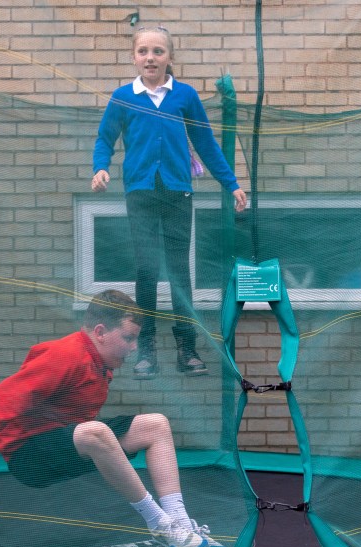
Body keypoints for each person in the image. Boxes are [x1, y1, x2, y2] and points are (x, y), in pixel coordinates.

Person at [0, 289, 224, 547]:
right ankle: (161, 526)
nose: (134, 348)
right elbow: (7, 397)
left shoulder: (98, 361)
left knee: (156, 425)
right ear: (100, 332)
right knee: (95, 432)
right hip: (29, 459)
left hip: (65, 446)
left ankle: (180, 523)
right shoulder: (66, 354)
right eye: (128, 338)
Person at [91, 25, 248, 380]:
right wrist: (101, 168)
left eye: (158, 52)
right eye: (143, 51)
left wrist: (232, 184)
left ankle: (186, 348)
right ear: (134, 57)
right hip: (141, 193)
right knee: (146, 270)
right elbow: (105, 139)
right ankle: (145, 349)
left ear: (169, 58)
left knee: (178, 271)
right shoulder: (123, 97)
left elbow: (206, 144)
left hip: (177, 192)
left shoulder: (185, 96)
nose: (150, 57)